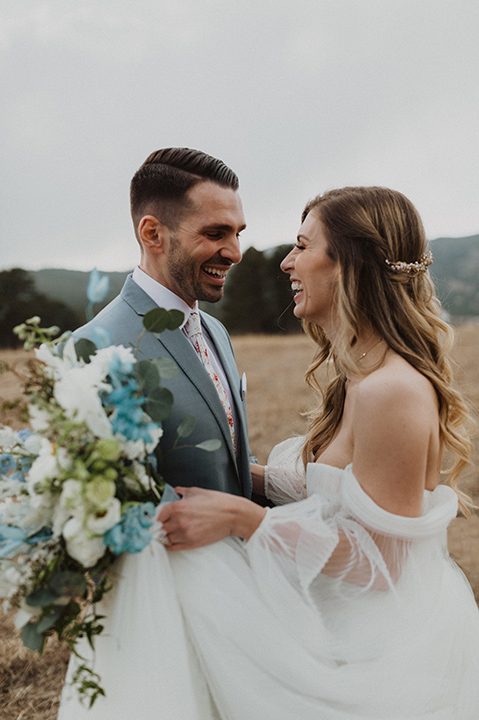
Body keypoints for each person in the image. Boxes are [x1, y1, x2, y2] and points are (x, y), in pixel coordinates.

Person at [59, 186, 479, 719]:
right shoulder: (362, 377)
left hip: (374, 646)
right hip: (338, 614)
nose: (286, 262)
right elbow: (344, 493)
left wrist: (244, 519)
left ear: (350, 264)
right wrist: (234, 478)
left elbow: (385, 563)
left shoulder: (391, 390)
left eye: (303, 247)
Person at [73, 147, 253, 497]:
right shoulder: (94, 350)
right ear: (153, 234)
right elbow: (110, 498)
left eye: (237, 233)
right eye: (216, 234)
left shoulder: (216, 332)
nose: (235, 253)